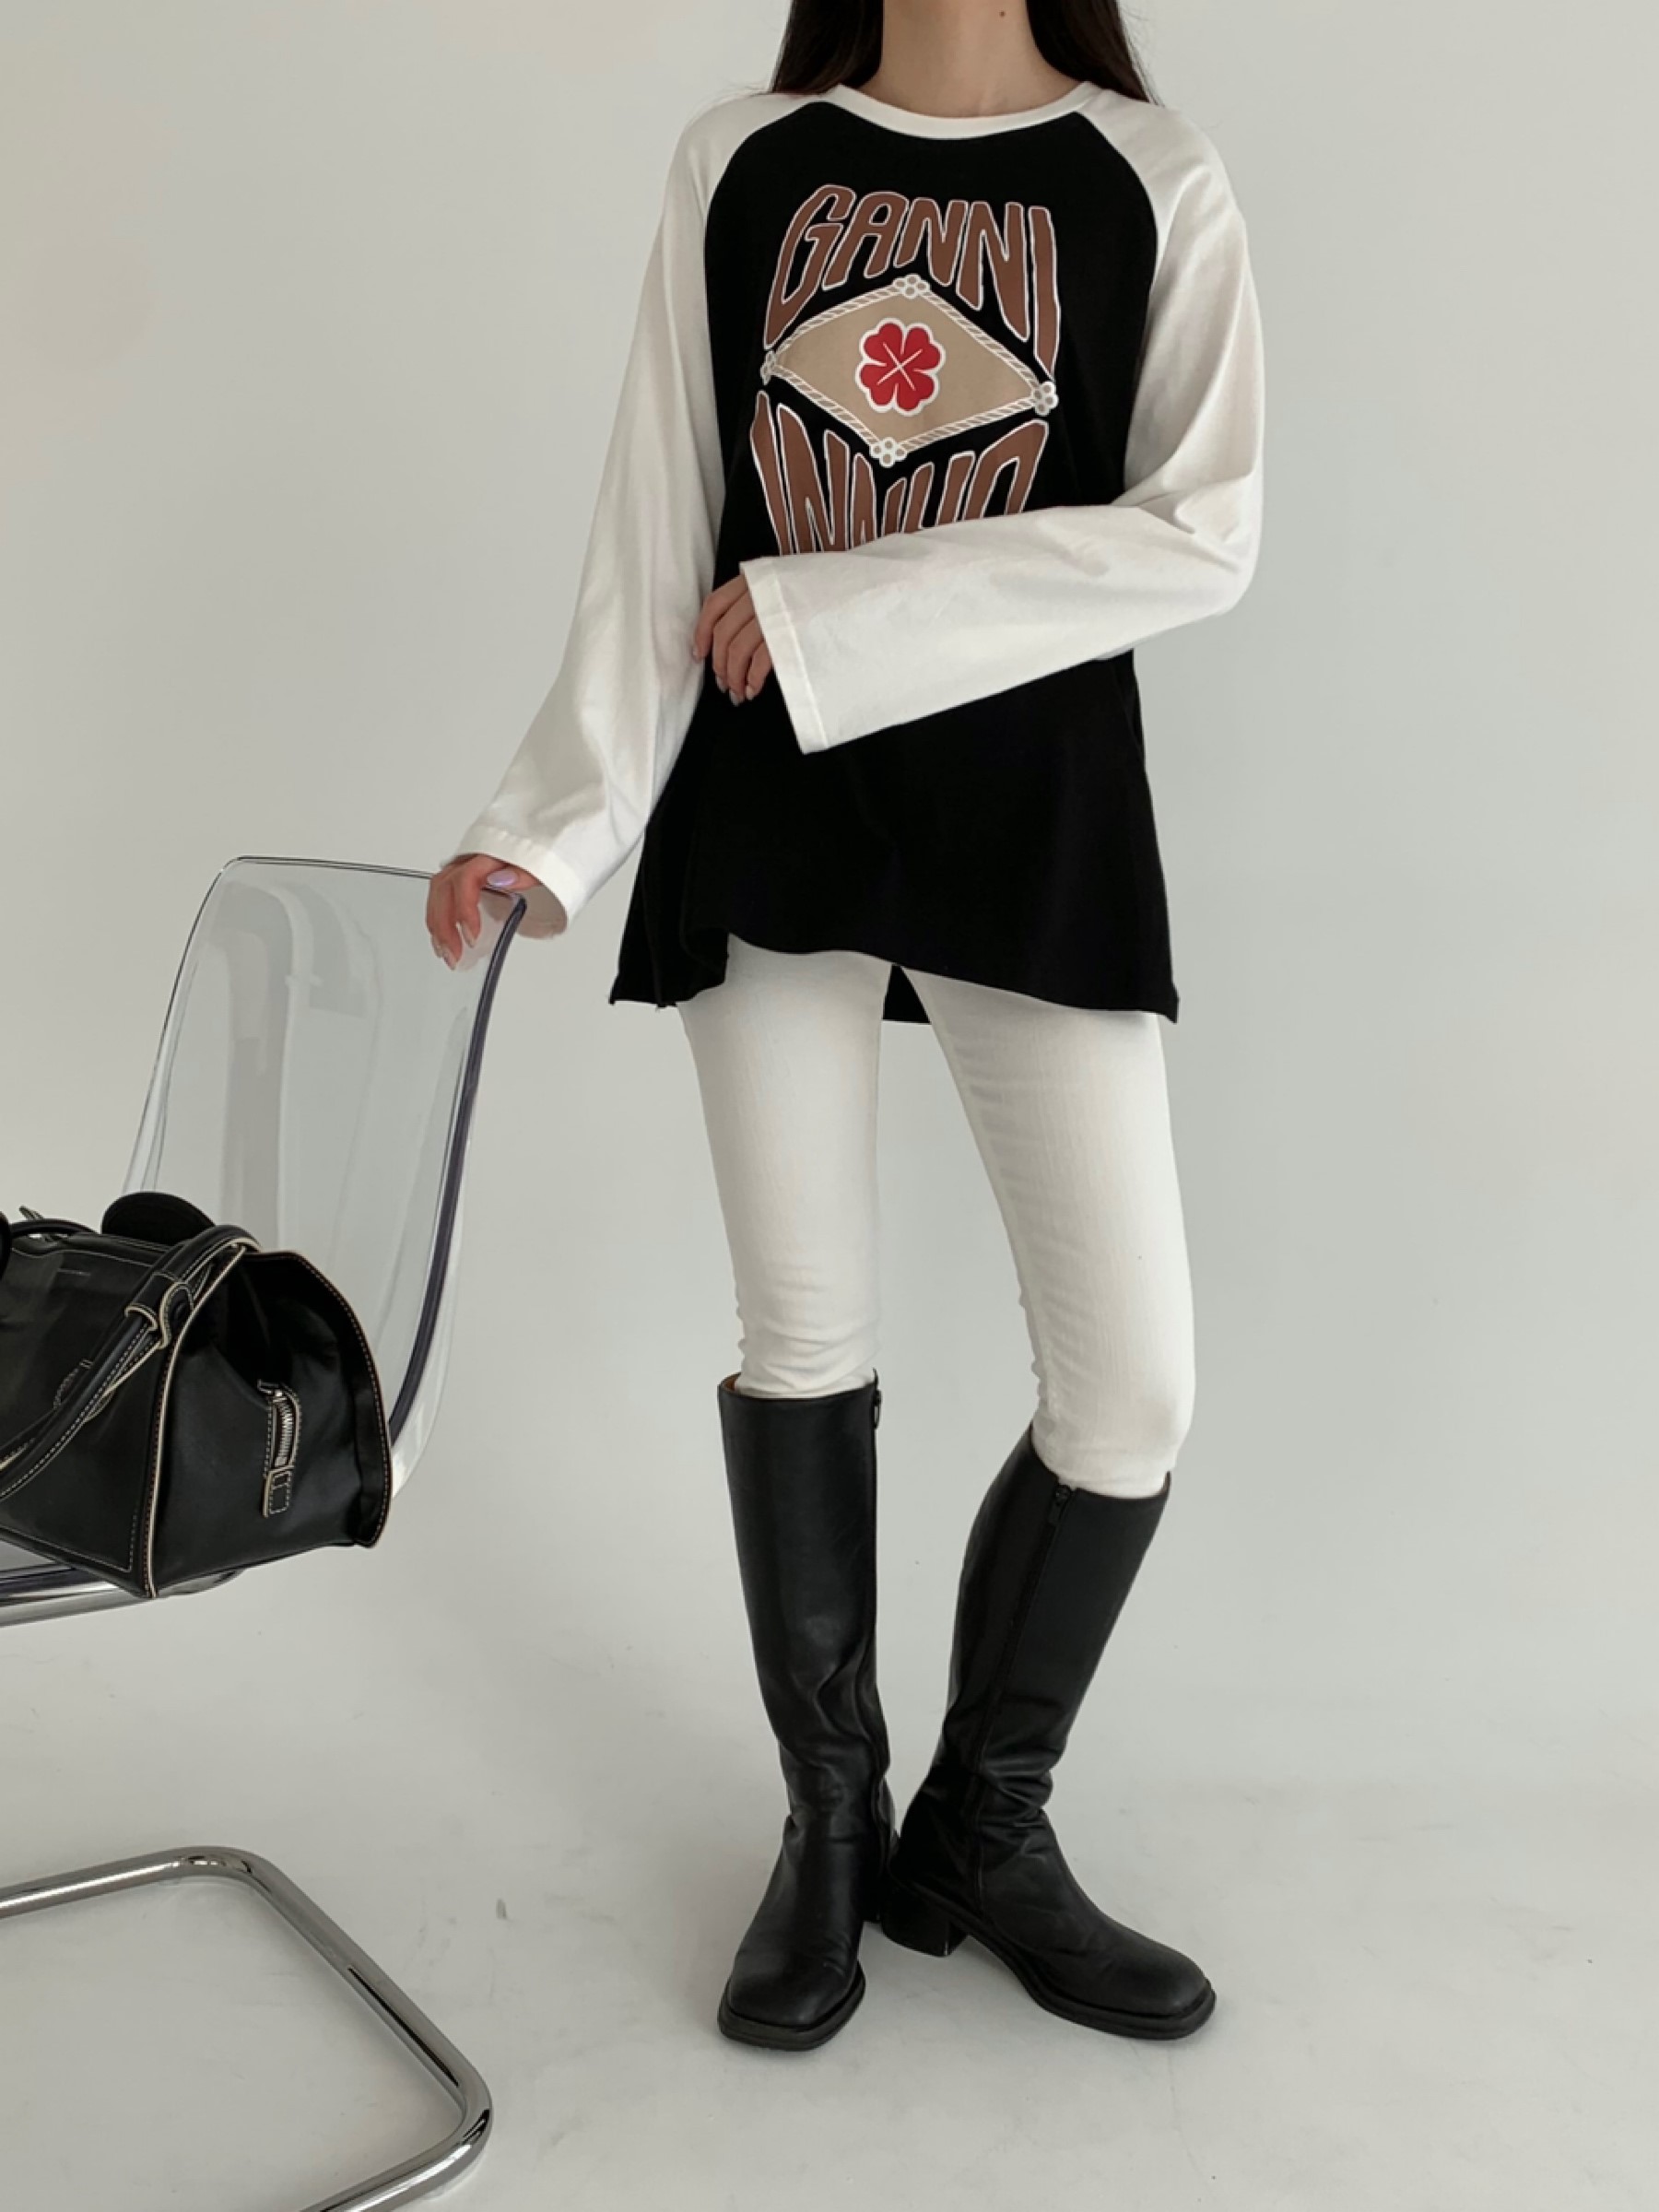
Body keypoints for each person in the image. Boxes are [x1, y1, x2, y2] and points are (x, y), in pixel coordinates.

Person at [427, 0, 1264, 2053]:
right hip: (769, 806)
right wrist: (550, 824)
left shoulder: (1153, 180)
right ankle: (829, 1820)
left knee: (1133, 1390)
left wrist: (830, 612)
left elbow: (1206, 530)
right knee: (805, 1334)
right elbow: (658, 525)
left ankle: (982, 1830)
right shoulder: (744, 159)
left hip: (1034, 815)